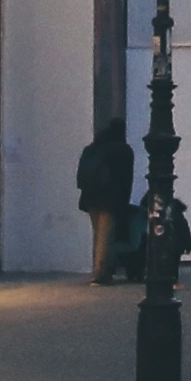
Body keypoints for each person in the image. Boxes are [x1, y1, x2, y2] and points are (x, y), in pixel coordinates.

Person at [76, 114, 137, 285]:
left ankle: (97, 269)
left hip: (90, 198)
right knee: (106, 235)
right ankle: (100, 273)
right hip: (110, 199)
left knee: (98, 234)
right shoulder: (122, 150)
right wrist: (124, 202)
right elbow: (126, 179)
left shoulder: (92, 148)